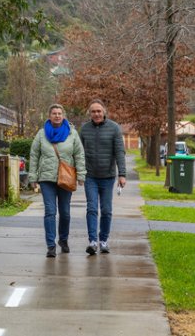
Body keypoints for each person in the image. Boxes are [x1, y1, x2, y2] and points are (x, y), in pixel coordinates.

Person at [28, 104, 86, 258]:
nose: (57, 116)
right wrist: (33, 177)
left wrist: (81, 175)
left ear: (63, 116)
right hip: (46, 179)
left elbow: (79, 154)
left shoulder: (72, 134)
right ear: (49, 116)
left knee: (65, 213)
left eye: (60, 113)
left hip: (66, 178)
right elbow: (34, 155)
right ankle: (51, 245)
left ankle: (64, 240)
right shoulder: (41, 134)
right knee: (50, 212)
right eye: (54, 113)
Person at [79, 99, 126, 255]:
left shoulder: (114, 128)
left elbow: (120, 152)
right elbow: (79, 154)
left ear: (104, 112)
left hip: (107, 177)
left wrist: (122, 174)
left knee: (106, 210)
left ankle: (103, 240)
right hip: (90, 176)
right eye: (93, 111)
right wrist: (79, 172)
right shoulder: (84, 129)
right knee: (92, 208)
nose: (96, 114)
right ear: (90, 113)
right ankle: (92, 242)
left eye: (99, 111)